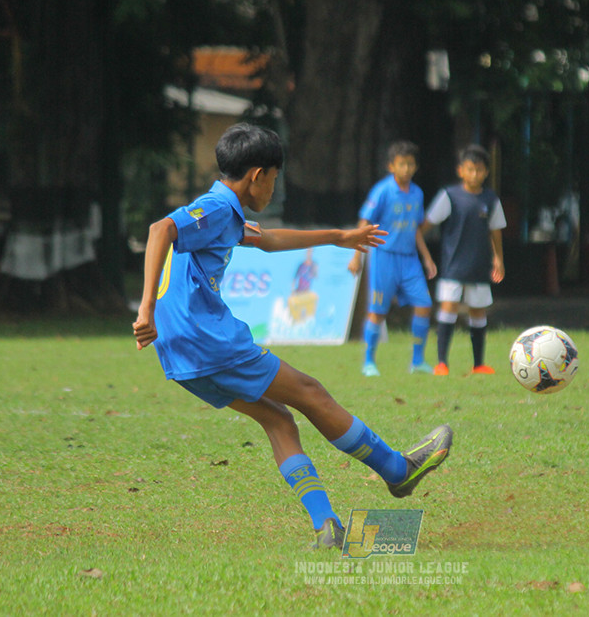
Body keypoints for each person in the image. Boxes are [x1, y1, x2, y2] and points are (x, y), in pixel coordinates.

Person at [133, 124, 452, 550]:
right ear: (258, 176)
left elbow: (266, 239)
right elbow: (160, 230)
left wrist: (341, 237)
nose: (274, 188)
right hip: (207, 338)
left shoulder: (225, 214)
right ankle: (398, 471)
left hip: (179, 356)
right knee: (309, 392)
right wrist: (145, 309)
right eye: (275, 179)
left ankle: (327, 529)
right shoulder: (213, 208)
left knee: (278, 418)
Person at [348, 140, 437, 377]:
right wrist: (357, 255)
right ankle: (369, 362)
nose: (406, 169)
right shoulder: (383, 190)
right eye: (401, 164)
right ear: (391, 166)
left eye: (410, 164)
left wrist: (427, 258)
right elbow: (364, 223)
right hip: (383, 257)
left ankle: (417, 361)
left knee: (425, 305)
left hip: (409, 260)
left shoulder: (417, 193)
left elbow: (416, 228)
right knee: (378, 310)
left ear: (415, 167)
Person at [420, 144, 506, 376]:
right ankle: (441, 363)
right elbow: (424, 226)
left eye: (479, 170)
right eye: (470, 169)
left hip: (479, 266)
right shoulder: (449, 196)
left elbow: (495, 231)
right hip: (453, 267)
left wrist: (499, 259)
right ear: (461, 171)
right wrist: (424, 255)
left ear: (486, 172)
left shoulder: (490, 199)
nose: (475, 174)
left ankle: (478, 364)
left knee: (478, 312)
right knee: (448, 309)